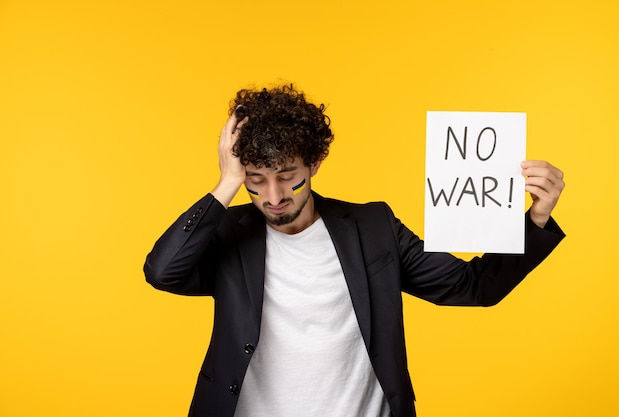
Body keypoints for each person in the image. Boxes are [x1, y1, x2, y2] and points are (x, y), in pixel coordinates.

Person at [144, 84, 565, 417]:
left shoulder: (374, 228)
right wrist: (226, 184)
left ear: (315, 163)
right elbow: (163, 272)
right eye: (256, 179)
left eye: (287, 176)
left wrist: (536, 220)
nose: (272, 196)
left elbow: (475, 288)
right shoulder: (228, 235)